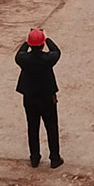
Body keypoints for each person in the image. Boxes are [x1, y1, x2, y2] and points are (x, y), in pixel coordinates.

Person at [14, 28, 62, 168]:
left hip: (30, 98)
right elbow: (56, 51)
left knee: (33, 127)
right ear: (42, 45)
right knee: (51, 127)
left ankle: (34, 157)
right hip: (47, 98)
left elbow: (20, 52)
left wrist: (28, 40)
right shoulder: (48, 59)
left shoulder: (23, 59)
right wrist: (46, 38)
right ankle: (55, 158)